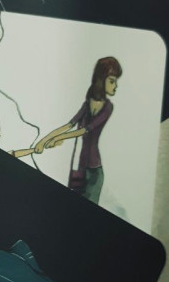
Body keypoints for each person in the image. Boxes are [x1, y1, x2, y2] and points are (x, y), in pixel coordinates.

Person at [34, 57, 123, 204]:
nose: (116, 86)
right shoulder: (87, 104)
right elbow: (69, 124)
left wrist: (56, 139)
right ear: (101, 80)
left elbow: (85, 130)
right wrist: (43, 141)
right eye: (112, 81)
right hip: (80, 169)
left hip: (94, 172)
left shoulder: (108, 107)